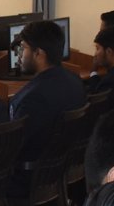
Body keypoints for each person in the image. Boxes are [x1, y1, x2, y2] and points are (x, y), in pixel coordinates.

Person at [6, 19, 84, 188]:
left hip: (28, 178)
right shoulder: (75, 82)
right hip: (58, 171)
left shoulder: (32, 98)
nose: (19, 54)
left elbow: (13, 149)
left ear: (38, 54)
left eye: (24, 48)